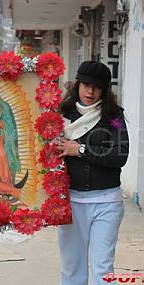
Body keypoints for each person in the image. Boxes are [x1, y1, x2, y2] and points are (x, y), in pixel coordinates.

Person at [57, 60, 129, 285]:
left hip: (106, 203)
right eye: (86, 84)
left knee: (103, 269)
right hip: (71, 204)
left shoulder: (114, 117)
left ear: (105, 90)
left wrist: (79, 149)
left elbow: (120, 155)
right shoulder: (61, 114)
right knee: (71, 269)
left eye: (97, 86)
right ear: (77, 84)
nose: (90, 91)